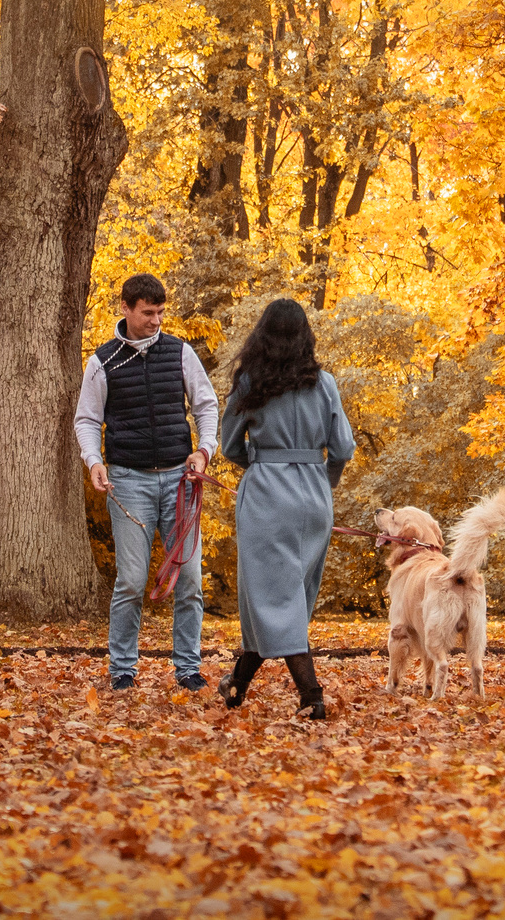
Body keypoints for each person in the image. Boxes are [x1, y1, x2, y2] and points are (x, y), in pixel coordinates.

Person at [73, 273, 218, 691]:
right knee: (132, 581)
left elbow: (207, 406)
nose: (156, 321)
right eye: (148, 313)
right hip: (128, 481)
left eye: (160, 313)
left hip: (180, 481)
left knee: (189, 578)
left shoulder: (180, 354)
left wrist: (203, 451)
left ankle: (188, 668)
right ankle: (122, 670)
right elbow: (86, 419)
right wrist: (93, 460)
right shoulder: (103, 361)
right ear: (126, 308)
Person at [217, 298, 357, 719]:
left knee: (274, 601)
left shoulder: (250, 385)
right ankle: (236, 684)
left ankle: (312, 697)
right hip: (315, 498)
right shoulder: (325, 383)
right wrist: (322, 479)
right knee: (286, 600)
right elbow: (344, 447)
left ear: (262, 336)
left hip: (266, 498)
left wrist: (261, 467)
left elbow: (228, 446)